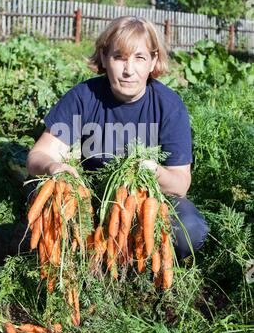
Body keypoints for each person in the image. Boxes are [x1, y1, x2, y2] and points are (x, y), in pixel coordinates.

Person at [26, 16, 209, 259]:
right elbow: (38, 156)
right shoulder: (84, 97)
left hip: (146, 201)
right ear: (103, 57)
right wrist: (53, 166)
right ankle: (79, 260)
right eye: (119, 57)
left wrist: (154, 172)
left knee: (189, 230)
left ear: (153, 60)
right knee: (49, 203)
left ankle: (140, 262)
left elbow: (180, 184)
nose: (128, 70)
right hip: (88, 197)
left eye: (140, 58)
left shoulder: (168, 106)